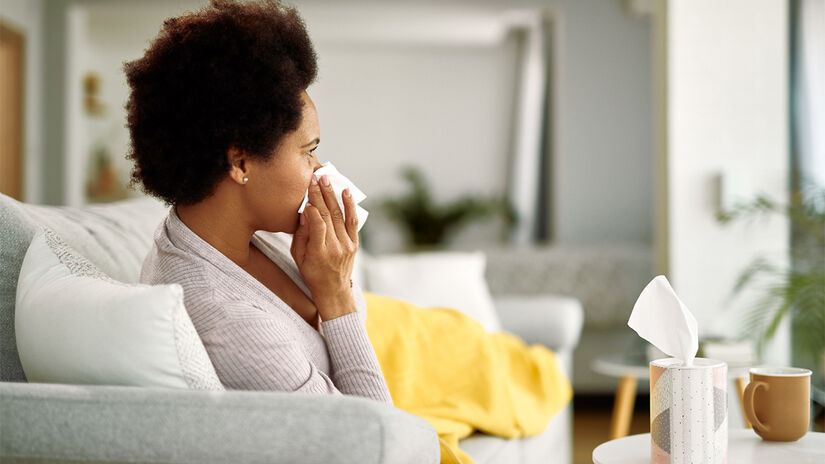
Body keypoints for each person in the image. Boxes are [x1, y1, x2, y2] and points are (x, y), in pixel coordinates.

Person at [129, 0, 392, 404]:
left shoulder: (230, 230)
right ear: (240, 161)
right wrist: (336, 297)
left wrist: (337, 279)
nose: (319, 168)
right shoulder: (225, 320)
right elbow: (374, 441)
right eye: (308, 151)